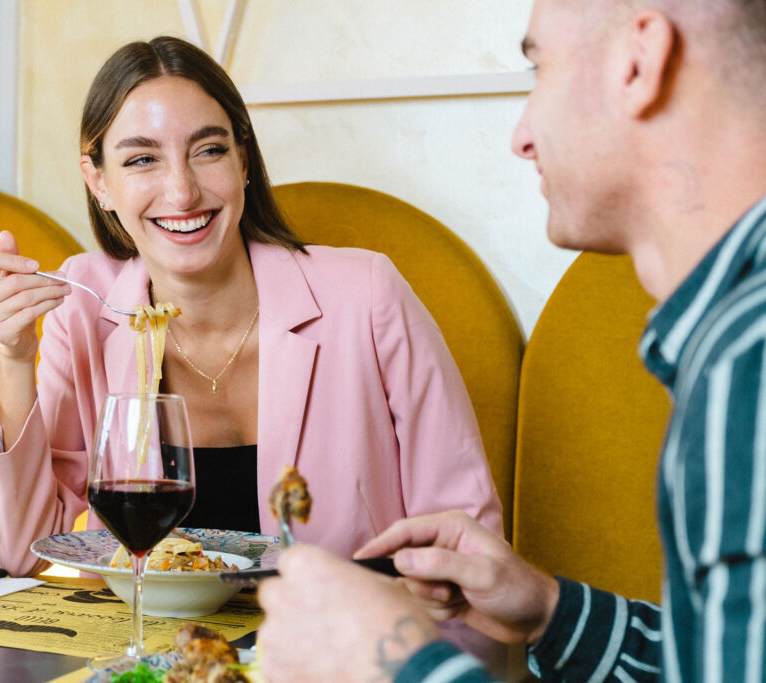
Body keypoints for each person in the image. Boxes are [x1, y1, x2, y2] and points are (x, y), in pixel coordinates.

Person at [257, 0, 766, 680]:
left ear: (639, 63)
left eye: (538, 69)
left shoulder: (747, 361)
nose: (521, 137)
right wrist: (551, 611)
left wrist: (395, 661)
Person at [0, 36, 502, 584]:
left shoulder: (366, 295)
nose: (181, 192)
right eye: (142, 159)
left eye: (209, 150)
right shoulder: (82, 302)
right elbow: (21, 551)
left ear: (243, 160)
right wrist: (14, 356)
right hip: (148, 656)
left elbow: (465, 539)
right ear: (99, 181)